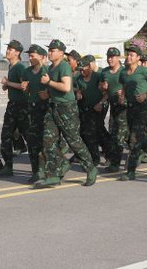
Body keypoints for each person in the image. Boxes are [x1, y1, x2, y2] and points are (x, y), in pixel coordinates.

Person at [37, 39, 97, 188]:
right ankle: (54, 173)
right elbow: (54, 88)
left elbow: (65, 87)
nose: (50, 53)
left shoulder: (63, 66)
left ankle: (90, 168)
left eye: (53, 50)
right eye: (49, 50)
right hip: (53, 106)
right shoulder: (51, 68)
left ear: (61, 53)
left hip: (66, 108)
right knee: (48, 141)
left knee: (73, 141)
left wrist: (48, 83)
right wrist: (46, 93)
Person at [118, 44, 147, 181]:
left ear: (138, 58)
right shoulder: (123, 72)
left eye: (132, 55)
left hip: (142, 106)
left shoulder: (144, 71)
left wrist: (146, 94)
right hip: (130, 106)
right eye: (128, 54)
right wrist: (122, 96)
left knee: (135, 138)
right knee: (133, 136)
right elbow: (124, 85)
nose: (129, 57)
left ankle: (131, 171)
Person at [0, 40, 32, 177]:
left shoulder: (20, 67)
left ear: (17, 53)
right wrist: (7, 85)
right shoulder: (11, 66)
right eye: (8, 49)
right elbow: (12, 85)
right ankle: (8, 166)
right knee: (6, 135)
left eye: (10, 49)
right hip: (13, 105)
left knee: (29, 136)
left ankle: (43, 165)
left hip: (23, 106)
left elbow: (24, 86)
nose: (7, 51)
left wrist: (8, 83)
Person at [75, 54, 108, 165]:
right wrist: (78, 93)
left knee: (98, 133)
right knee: (88, 134)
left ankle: (109, 155)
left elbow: (106, 93)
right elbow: (79, 89)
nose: (81, 72)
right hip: (86, 109)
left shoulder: (98, 76)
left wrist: (101, 103)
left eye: (83, 69)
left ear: (89, 67)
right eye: (79, 70)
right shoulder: (79, 79)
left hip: (98, 107)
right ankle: (95, 158)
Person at [24, 44, 50, 183]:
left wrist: (47, 93)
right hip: (32, 108)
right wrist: (25, 88)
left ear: (41, 57)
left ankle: (45, 170)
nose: (30, 58)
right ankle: (36, 171)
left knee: (44, 142)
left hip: (44, 108)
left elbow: (55, 87)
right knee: (32, 141)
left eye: (33, 55)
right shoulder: (27, 71)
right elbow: (27, 90)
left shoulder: (47, 70)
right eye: (29, 55)